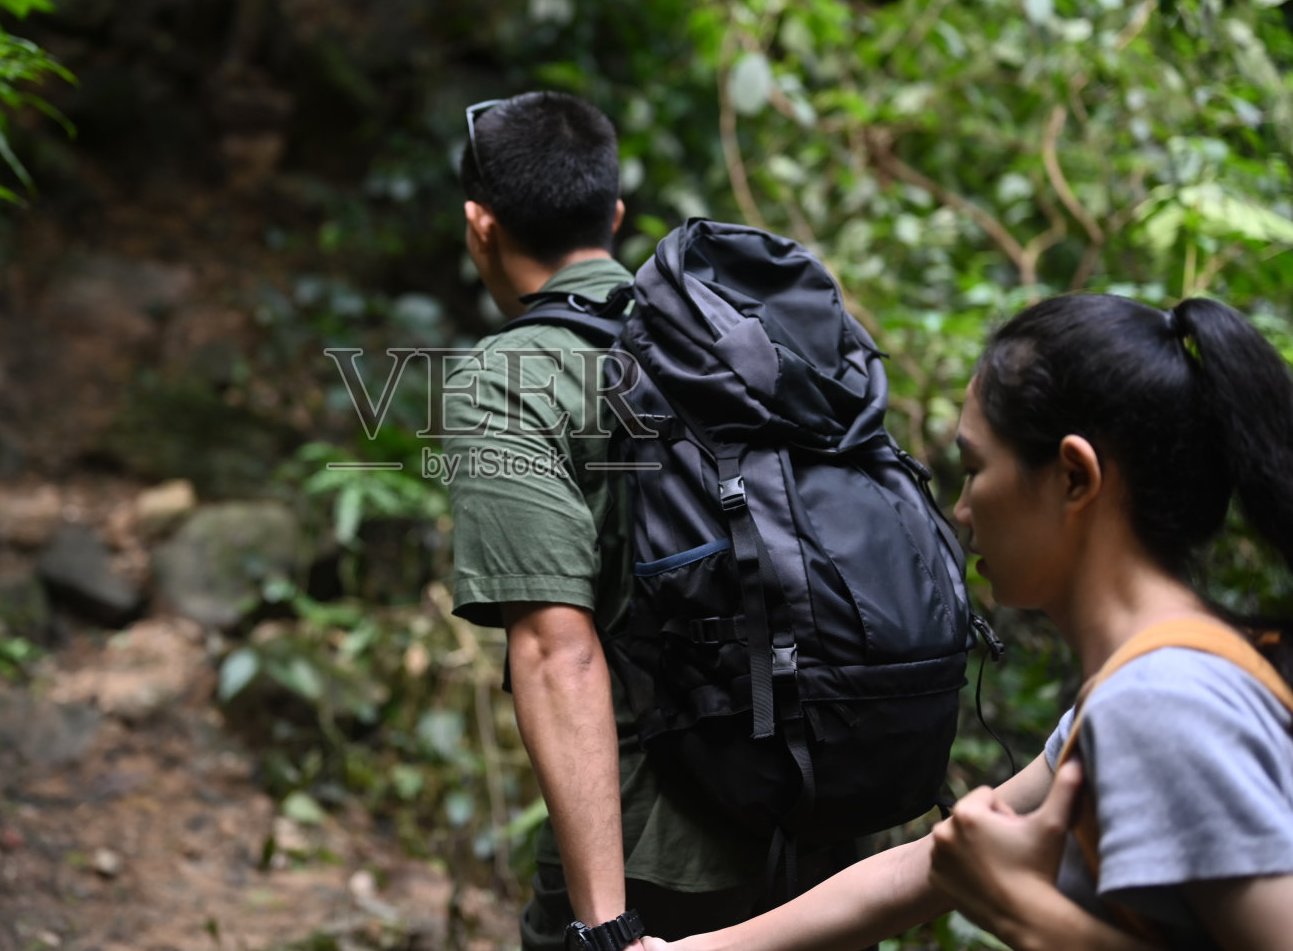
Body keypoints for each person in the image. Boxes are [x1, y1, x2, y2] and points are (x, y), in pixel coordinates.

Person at [640, 292, 1293, 951]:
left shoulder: (1159, 700)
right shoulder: (1147, 683)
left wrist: (1020, 908)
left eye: (977, 467)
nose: (959, 508)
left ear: (1074, 476)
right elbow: (918, 868)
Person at [443, 92, 770, 950]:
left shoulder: (512, 377)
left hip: (659, 850)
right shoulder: (735, 338)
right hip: (824, 822)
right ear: (615, 216)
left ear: (481, 225)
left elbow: (558, 649)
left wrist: (606, 927)